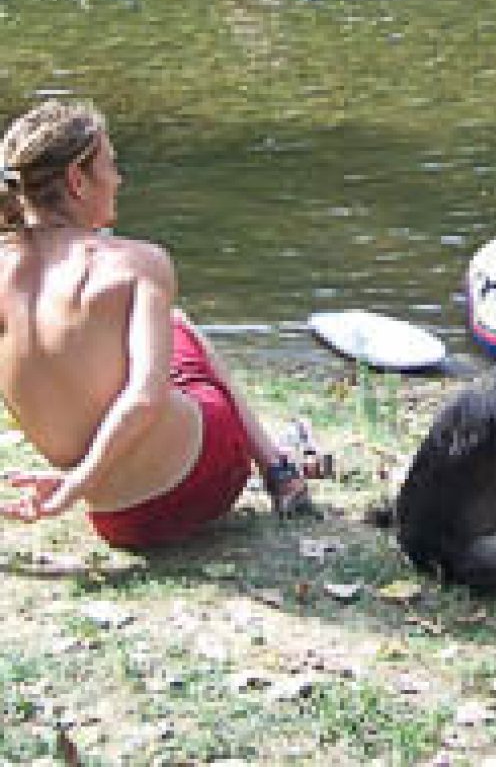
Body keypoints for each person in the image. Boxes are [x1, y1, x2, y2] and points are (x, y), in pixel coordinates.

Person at [0, 99, 315, 549]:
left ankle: (279, 465)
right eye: (111, 164)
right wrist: (73, 489)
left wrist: (79, 482)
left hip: (118, 522)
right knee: (177, 327)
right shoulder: (136, 264)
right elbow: (142, 398)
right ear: (76, 180)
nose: (119, 179)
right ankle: (280, 470)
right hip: (201, 481)